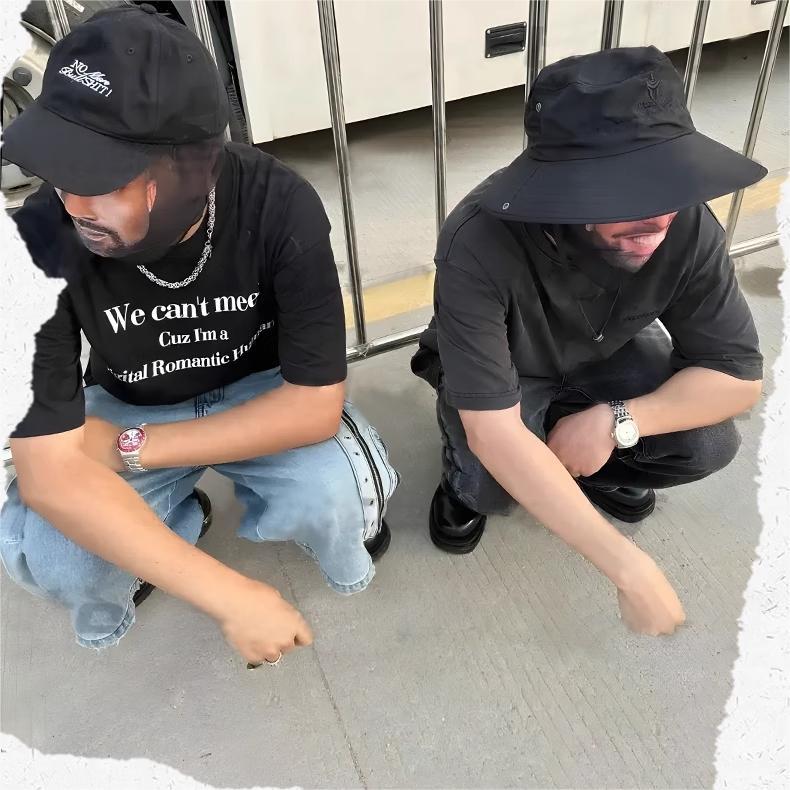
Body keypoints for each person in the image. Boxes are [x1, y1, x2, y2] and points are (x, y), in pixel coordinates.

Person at [0, 5, 398, 666]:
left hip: (258, 390)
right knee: (58, 558)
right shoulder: (38, 237)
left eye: (102, 180)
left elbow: (313, 404)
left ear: (192, 169)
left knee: (341, 499)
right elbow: (46, 470)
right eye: (62, 169)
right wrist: (228, 595)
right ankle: (171, 528)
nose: (73, 202)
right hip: (128, 397)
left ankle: (214, 515)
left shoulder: (279, 204)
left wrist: (132, 449)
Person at [411, 46, 765, 637]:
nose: (658, 218)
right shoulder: (477, 240)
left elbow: (737, 376)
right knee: (489, 478)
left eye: (666, 179)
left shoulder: (686, 223)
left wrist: (618, 420)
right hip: (506, 368)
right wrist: (628, 568)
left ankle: (587, 468)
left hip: (605, 355)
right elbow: (493, 429)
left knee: (707, 442)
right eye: (623, 191)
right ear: (564, 190)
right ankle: (463, 486)